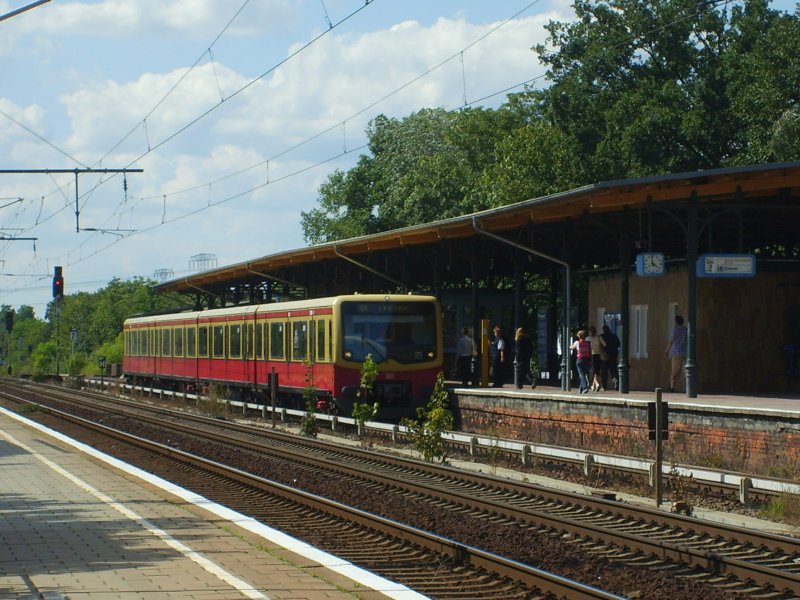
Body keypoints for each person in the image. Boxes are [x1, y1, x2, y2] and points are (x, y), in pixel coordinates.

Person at [665, 315, 688, 392]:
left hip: (676, 353)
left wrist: (667, 351)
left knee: (674, 371)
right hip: (685, 352)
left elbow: (671, 341)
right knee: (686, 370)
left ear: (676, 322)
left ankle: (672, 387)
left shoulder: (675, 330)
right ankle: (687, 387)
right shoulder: (686, 330)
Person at [570, 330, 592, 394]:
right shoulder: (588, 343)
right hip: (587, 359)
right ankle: (581, 389)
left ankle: (585, 387)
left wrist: (569, 346)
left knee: (581, 374)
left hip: (580, 360)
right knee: (584, 374)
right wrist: (591, 361)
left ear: (579, 336)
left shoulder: (577, 342)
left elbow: (572, 348)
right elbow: (590, 352)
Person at [600, 324, 620, 391]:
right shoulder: (614, 336)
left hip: (605, 356)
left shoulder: (602, 336)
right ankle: (615, 380)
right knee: (613, 370)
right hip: (614, 355)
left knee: (604, 372)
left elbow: (602, 345)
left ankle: (604, 386)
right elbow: (618, 344)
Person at [586, 325, 603, 391]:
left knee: (593, 371)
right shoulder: (598, 338)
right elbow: (604, 344)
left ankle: (597, 383)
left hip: (591, 355)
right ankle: (593, 386)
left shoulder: (587, 338)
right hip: (598, 355)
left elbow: (587, 348)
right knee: (596, 371)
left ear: (590, 332)